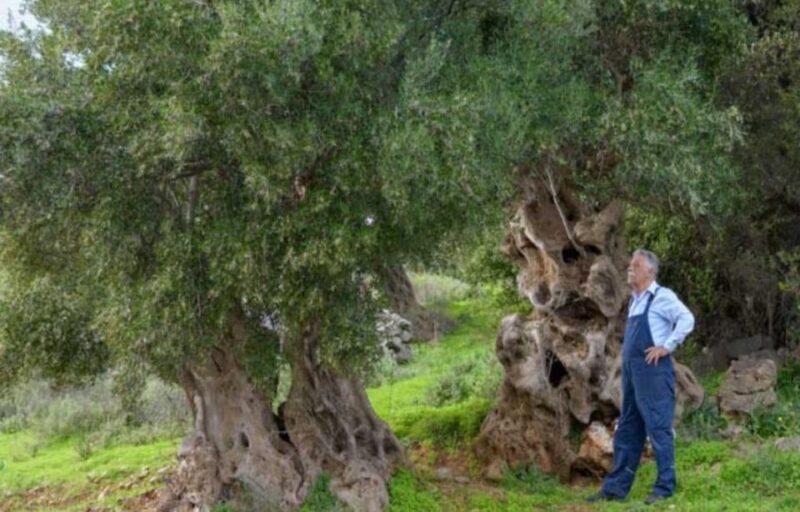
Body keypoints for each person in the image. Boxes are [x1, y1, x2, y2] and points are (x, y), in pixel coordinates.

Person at [586, 249, 695, 505]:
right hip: (633, 376)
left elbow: (687, 319)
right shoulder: (636, 300)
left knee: (658, 429)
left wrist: (666, 347)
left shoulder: (662, 296)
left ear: (650, 271)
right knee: (627, 429)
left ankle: (665, 487)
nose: (630, 268)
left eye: (636, 265)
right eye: (630, 264)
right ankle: (615, 489)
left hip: (654, 374)